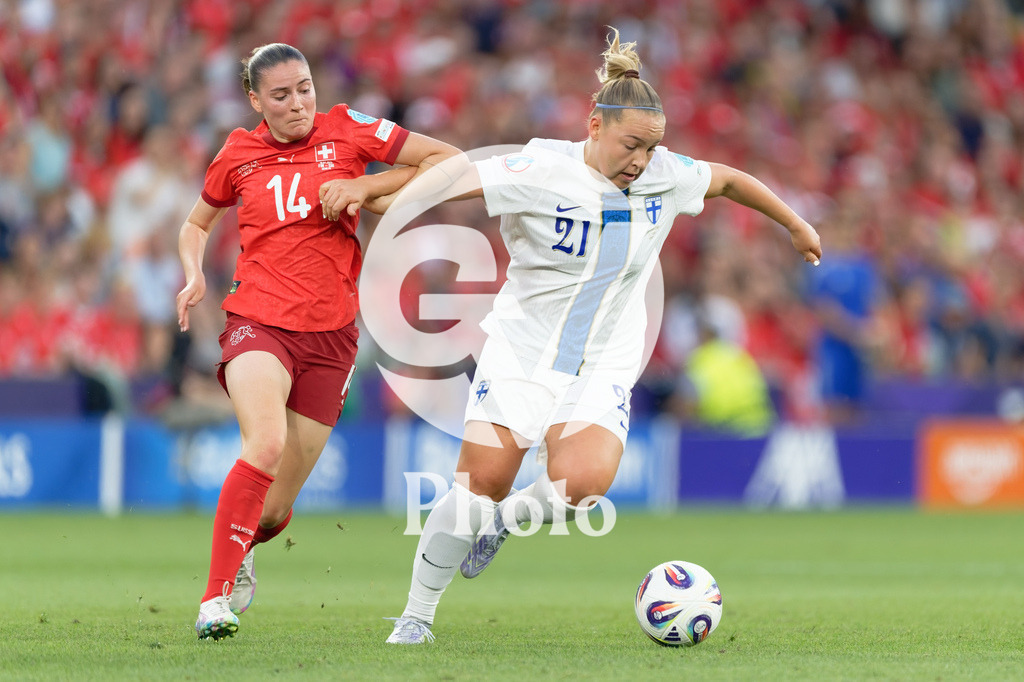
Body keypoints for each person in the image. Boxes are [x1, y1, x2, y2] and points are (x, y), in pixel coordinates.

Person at [384, 29, 822, 645]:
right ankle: (416, 617)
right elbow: (450, 183)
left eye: (652, 147)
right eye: (631, 144)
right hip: (523, 349)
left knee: (585, 483)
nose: (642, 160)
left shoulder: (665, 176)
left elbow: (726, 180)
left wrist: (796, 224)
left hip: (605, 360)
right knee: (479, 482)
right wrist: (368, 194)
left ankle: (503, 523)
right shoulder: (540, 166)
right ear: (594, 125)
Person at [175, 42, 457, 640]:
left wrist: (366, 189)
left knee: (273, 511)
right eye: (281, 95)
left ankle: (243, 549)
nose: (299, 103)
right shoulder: (238, 153)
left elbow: (449, 162)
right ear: (256, 100)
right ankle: (213, 602)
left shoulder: (348, 129)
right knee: (266, 442)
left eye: (304, 87)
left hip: (332, 337)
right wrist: (195, 272)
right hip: (258, 320)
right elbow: (197, 222)